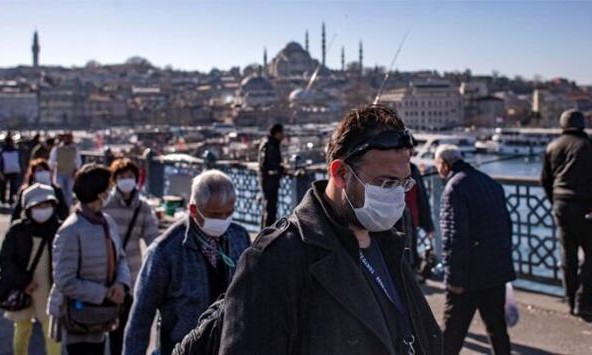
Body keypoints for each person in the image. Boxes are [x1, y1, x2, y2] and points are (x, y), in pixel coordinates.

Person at [220, 105, 442, 355]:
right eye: (386, 183)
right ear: (339, 174)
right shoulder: (274, 262)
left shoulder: (391, 244)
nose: (396, 195)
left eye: (403, 183)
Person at [123, 170, 251, 355]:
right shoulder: (165, 252)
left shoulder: (239, 237)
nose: (223, 220)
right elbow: (140, 320)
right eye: (215, 215)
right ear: (193, 209)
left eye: (228, 213)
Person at [434, 144, 515, 355]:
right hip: (496, 272)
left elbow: (454, 237)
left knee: (451, 335)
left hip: (468, 276)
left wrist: (453, 279)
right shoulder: (490, 183)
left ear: (444, 165)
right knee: (498, 330)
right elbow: (507, 227)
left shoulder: (454, 188)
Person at [47, 164, 131, 355]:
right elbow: (64, 280)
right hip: (79, 319)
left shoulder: (107, 221)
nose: (110, 192)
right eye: (107, 188)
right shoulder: (70, 230)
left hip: (102, 318)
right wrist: (104, 293)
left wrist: (121, 284)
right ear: (99, 193)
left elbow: (120, 258)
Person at [102, 158, 160, 355]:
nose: (127, 180)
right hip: (108, 274)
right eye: (122, 177)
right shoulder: (105, 205)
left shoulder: (142, 207)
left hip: (133, 275)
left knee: (129, 326)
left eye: (130, 176)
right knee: (109, 325)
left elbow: (152, 237)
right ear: (114, 179)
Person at [541, 109, 592, 317]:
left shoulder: (553, 146)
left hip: (561, 206)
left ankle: (570, 300)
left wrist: (554, 201)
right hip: (585, 207)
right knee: (590, 255)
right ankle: (584, 299)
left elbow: (545, 179)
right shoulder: (588, 146)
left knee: (567, 255)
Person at [0, 184, 62, 355]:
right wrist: (23, 281)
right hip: (23, 287)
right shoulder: (17, 230)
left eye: (47, 205)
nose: (44, 210)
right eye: (38, 206)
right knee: (21, 330)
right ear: (27, 207)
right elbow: (6, 261)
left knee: (51, 333)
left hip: (49, 287)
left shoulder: (60, 230)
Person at [11, 158, 69, 222]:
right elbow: (17, 212)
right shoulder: (25, 191)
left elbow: (63, 211)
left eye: (45, 170)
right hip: (30, 226)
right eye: (39, 170)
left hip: (51, 225)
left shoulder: (56, 190)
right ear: (33, 174)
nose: (42, 173)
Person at [405, 162, 436, 271]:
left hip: (411, 219)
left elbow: (421, 197)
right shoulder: (412, 168)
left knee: (410, 250)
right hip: (402, 218)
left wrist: (429, 226)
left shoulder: (413, 169)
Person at [258, 123, 285, 228]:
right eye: (282, 133)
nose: (283, 136)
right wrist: (279, 168)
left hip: (268, 180)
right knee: (270, 209)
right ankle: (267, 234)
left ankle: (265, 231)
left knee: (267, 208)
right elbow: (267, 164)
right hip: (270, 181)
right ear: (277, 133)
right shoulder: (270, 144)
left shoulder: (268, 143)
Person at [49, 132, 81, 209]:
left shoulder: (75, 149)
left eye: (69, 138)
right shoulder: (57, 148)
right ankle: (61, 207)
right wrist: (51, 171)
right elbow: (52, 161)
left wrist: (76, 170)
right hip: (59, 173)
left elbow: (78, 161)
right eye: (66, 137)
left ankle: (68, 207)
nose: (68, 139)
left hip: (70, 173)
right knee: (61, 191)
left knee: (69, 192)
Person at [0, 135, 23, 205]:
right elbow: (19, 160)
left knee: (3, 186)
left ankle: (3, 199)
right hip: (14, 170)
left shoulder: (2, 151)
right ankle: (11, 199)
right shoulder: (16, 150)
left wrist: (1, 172)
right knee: (13, 185)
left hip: (4, 170)